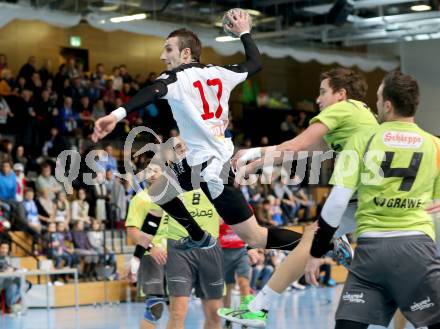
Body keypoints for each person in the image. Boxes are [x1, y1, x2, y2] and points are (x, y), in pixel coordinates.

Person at [92, 10, 313, 255]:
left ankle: (324, 245)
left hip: (212, 172)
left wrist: (116, 115)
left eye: (168, 49)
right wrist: (244, 33)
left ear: (186, 53)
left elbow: (152, 92)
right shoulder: (221, 72)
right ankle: (198, 236)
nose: (162, 56)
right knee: (157, 189)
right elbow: (255, 63)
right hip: (199, 160)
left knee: (257, 237)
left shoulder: (177, 78)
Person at [218, 67, 377, 327]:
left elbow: (296, 145)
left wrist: (251, 152)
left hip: (363, 194)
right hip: (363, 195)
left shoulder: (342, 109)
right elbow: (298, 151)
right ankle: (260, 305)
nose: (318, 99)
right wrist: (254, 164)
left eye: (323, 92)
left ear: (341, 94)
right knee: (311, 237)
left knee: (315, 238)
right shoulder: (359, 115)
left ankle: (261, 306)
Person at [304, 71, 440, 329]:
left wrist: (316, 251)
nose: (375, 104)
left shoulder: (361, 140)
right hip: (417, 250)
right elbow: (436, 210)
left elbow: (335, 206)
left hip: (371, 253)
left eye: (377, 99)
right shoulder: (435, 146)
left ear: (388, 105)